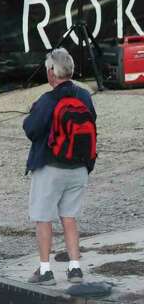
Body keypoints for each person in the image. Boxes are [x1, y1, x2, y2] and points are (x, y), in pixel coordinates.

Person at [22, 48, 96, 285]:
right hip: (79, 168)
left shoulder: (47, 100)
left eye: (48, 69)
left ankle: (45, 271)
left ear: (52, 73)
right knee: (69, 217)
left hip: (51, 167)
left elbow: (31, 130)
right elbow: (91, 121)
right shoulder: (84, 95)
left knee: (43, 218)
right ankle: (75, 269)